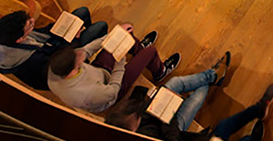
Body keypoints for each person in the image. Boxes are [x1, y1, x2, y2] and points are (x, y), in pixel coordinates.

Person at [106, 77, 273, 141]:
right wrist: (166, 117)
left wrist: (157, 101)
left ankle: (258, 109)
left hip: (184, 135)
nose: (138, 118)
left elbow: (142, 107)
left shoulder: (132, 121)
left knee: (224, 125)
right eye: (136, 120)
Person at [47, 29, 180, 114]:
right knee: (151, 51)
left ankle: (138, 49)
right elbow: (113, 89)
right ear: (74, 69)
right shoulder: (88, 94)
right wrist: (120, 60)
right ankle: (160, 72)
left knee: (124, 36)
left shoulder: (56, 70)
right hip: (113, 87)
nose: (81, 56)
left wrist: (111, 36)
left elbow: (84, 51)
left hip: (99, 72)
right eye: (78, 60)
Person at [0, 7, 109, 89]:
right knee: (100, 27)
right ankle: (93, 56)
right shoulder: (28, 60)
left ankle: (88, 39)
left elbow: (42, 34)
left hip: (52, 48)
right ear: (19, 39)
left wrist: (57, 26)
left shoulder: (8, 37)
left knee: (82, 12)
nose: (33, 21)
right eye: (30, 25)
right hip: (60, 66)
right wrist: (76, 39)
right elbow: (60, 59)